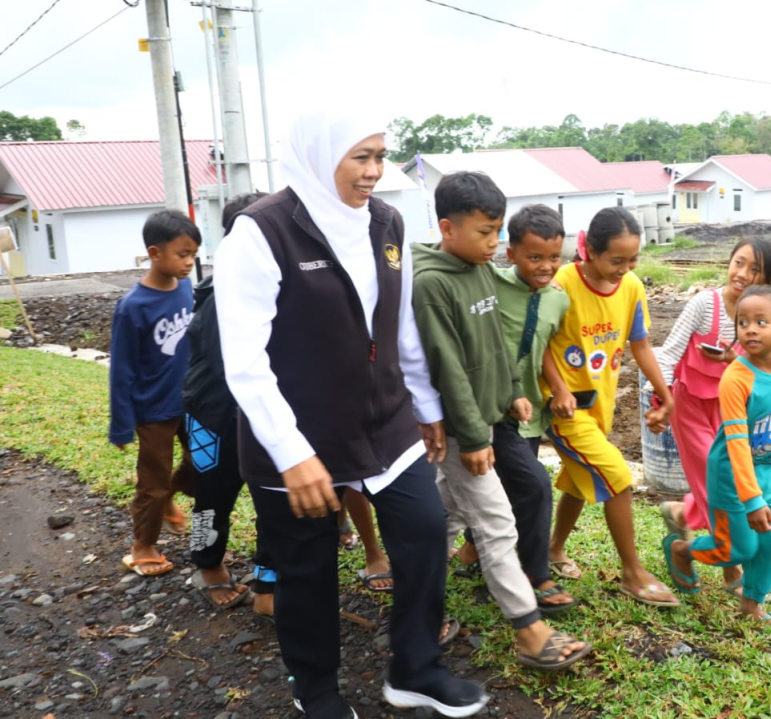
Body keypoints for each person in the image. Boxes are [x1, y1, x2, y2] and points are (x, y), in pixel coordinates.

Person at [216, 112, 487, 718]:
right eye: (360, 157)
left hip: (384, 421)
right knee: (306, 567)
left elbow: (401, 324)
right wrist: (292, 453)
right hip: (296, 432)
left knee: (423, 533)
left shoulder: (387, 222)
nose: (374, 171)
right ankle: (316, 690)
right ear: (320, 154)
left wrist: (427, 405)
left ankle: (416, 668)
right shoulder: (261, 233)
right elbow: (245, 362)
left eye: (380, 156)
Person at [412, 172, 591, 671]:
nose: (494, 243)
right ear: (447, 228)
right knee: (496, 522)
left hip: (490, 418)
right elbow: (447, 366)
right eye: (485, 232)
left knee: (445, 517)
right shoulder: (432, 284)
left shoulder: (478, 269)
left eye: (497, 232)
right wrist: (473, 437)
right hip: (461, 429)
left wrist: (513, 390)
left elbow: (496, 341)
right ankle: (530, 630)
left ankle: (417, 604)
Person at [542, 207, 678, 607]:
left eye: (633, 259)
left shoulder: (631, 287)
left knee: (578, 480)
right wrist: (558, 389)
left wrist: (665, 393)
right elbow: (537, 343)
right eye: (617, 260)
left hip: (598, 407)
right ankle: (632, 572)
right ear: (590, 251)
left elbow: (641, 344)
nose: (625, 269)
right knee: (617, 475)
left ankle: (553, 549)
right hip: (563, 411)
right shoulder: (562, 284)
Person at [451, 204, 579, 617]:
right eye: (534, 257)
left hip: (531, 413)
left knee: (508, 488)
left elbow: (543, 349)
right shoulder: (490, 285)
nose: (546, 266)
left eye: (554, 257)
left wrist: (560, 389)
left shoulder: (557, 300)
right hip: (493, 409)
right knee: (535, 485)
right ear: (512, 254)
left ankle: (475, 551)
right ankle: (536, 574)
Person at [662, 287, 771, 631]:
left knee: (769, 545)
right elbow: (736, 440)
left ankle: (751, 606)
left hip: (766, 472)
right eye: (743, 322)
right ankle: (681, 550)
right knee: (736, 549)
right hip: (730, 477)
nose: (750, 329)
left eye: (761, 322)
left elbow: (768, 412)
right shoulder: (735, 377)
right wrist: (751, 500)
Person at [654, 238, 771, 595]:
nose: (742, 274)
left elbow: (763, 370)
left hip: (731, 411)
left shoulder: (761, 314)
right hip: (689, 404)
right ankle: (730, 566)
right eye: (738, 262)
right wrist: (661, 399)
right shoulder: (704, 304)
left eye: (754, 269)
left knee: (729, 483)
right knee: (718, 485)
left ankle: (681, 514)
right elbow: (668, 353)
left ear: (767, 278)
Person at [184, 191, 276, 615]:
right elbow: (231, 365)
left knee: (271, 497)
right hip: (212, 414)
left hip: (259, 411)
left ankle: (268, 578)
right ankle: (207, 565)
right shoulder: (221, 293)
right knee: (211, 498)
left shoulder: (269, 283)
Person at [109, 209, 200, 578]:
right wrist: (121, 426)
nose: (190, 262)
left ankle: (167, 501)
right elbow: (121, 371)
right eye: (183, 254)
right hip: (153, 411)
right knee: (153, 482)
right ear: (154, 253)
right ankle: (142, 546)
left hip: (193, 401)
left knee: (204, 465)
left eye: (194, 254)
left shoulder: (186, 289)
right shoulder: (133, 307)